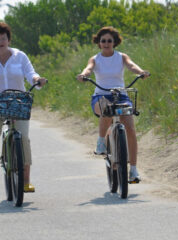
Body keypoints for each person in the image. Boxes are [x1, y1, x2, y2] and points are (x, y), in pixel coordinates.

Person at [0, 22, 47, 193]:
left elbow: (31, 73)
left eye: (3, 38)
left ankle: (26, 180)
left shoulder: (20, 56)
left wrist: (37, 79)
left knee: (24, 139)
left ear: (9, 39)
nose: (0, 41)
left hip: (18, 100)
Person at [76, 26, 150, 182]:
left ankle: (134, 170)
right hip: (100, 95)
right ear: (99, 43)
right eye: (103, 41)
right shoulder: (95, 59)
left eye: (109, 40)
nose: (106, 43)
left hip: (120, 95)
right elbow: (88, 69)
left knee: (130, 127)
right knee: (106, 108)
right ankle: (101, 142)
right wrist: (84, 75)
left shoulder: (121, 57)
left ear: (114, 42)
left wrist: (140, 72)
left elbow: (131, 65)